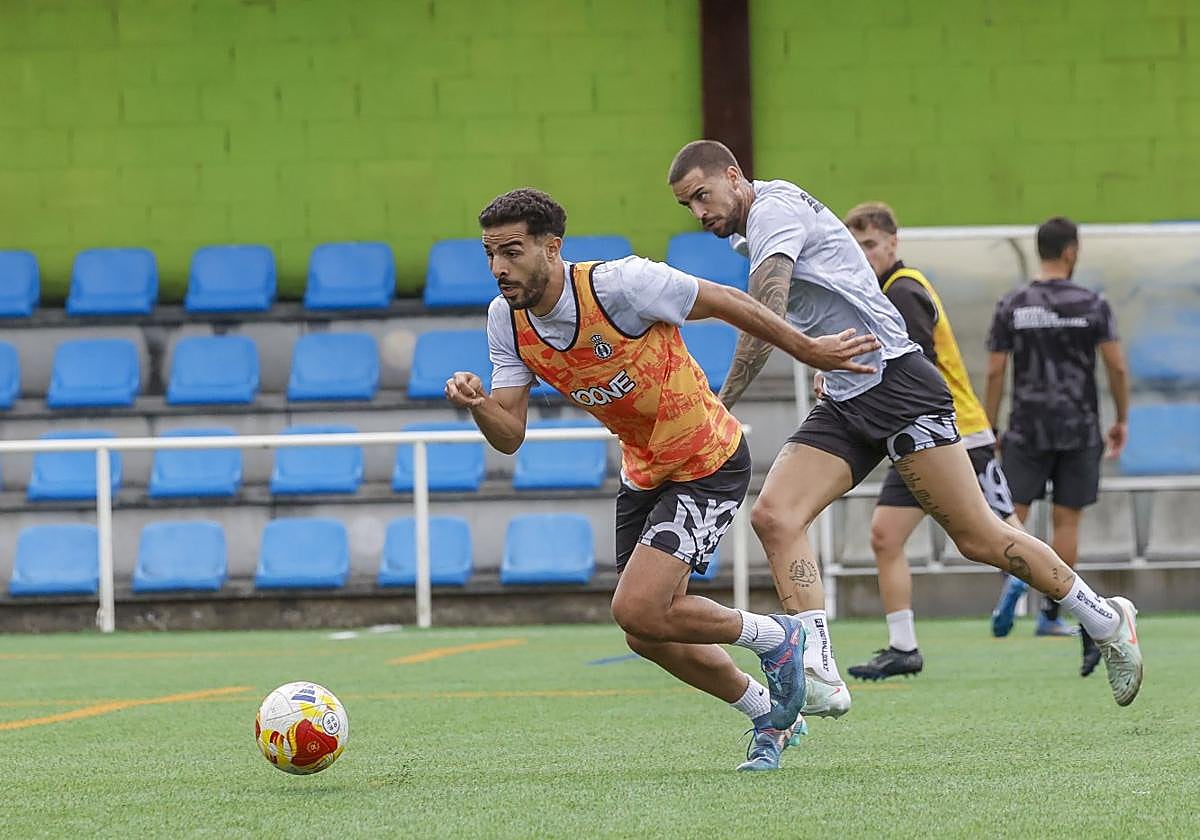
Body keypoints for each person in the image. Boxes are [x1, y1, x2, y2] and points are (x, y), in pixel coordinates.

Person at [666, 139, 1143, 715]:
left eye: (702, 195)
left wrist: (721, 404)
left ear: (734, 176)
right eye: (688, 205)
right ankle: (821, 672)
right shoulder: (754, 225)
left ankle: (1106, 619)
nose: (699, 212)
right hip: (846, 392)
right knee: (774, 514)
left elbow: (763, 305)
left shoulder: (773, 209)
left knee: (979, 538)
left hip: (897, 384)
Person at [446, 187, 883, 771]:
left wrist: (809, 349)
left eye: (513, 251)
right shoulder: (507, 320)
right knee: (644, 631)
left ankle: (778, 637)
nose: (499, 267)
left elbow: (728, 299)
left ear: (553, 247)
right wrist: (478, 404)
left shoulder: (620, 284)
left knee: (638, 608)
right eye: (490, 254)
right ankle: (771, 716)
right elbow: (510, 434)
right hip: (645, 472)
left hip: (707, 460)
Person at [837, 202, 1024, 681]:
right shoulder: (883, 291)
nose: (864, 254)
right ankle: (903, 646)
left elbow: (910, 368)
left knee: (1002, 536)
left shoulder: (903, 290)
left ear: (893, 244)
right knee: (885, 536)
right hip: (914, 433)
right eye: (855, 247)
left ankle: (1093, 614)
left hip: (956, 431)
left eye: (872, 245)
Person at [984, 216, 1131, 677]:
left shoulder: (1013, 303)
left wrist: (990, 425)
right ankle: (1052, 608)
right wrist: (1121, 417)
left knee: (1015, 514)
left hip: (1026, 423)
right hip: (1079, 423)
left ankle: (1015, 578)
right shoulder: (1092, 303)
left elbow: (993, 370)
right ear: (1071, 251)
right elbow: (1116, 366)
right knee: (1067, 521)